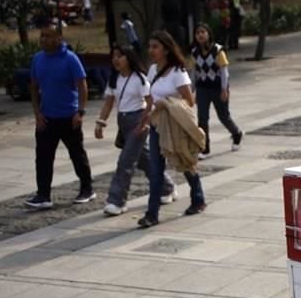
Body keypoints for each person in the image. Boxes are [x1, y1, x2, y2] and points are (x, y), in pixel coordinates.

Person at [93, 45, 176, 216]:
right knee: (144, 160)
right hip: (123, 122)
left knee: (125, 162)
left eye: (120, 56)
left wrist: (144, 122)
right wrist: (101, 122)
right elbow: (108, 102)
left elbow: (150, 101)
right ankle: (167, 187)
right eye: (114, 56)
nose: (116, 59)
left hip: (138, 120)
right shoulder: (114, 79)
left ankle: (116, 201)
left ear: (129, 58)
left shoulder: (139, 78)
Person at [138, 31, 205, 228]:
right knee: (156, 169)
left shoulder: (178, 72)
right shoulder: (152, 70)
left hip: (175, 125)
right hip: (157, 125)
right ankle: (152, 213)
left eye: (155, 47)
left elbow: (189, 101)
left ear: (166, 49)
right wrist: (146, 117)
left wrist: (166, 103)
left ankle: (198, 198)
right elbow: (150, 98)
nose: (151, 51)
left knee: (183, 161)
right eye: (150, 47)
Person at [26, 21, 94, 209]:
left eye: (48, 36)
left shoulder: (70, 59)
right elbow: (33, 86)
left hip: (68, 116)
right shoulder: (38, 59)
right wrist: (37, 113)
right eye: (42, 35)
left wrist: (80, 111)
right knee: (43, 157)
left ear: (59, 38)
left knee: (77, 154)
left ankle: (87, 188)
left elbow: (82, 85)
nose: (44, 39)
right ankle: (43, 194)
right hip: (47, 118)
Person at [191, 23, 243, 158]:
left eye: (203, 32)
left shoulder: (217, 50)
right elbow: (194, 72)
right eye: (198, 33)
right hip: (202, 88)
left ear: (208, 34)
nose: (200, 35)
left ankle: (236, 133)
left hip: (218, 88)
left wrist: (224, 89)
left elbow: (224, 72)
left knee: (223, 116)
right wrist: (193, 89)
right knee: (202, 118)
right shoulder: (194, 52)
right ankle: (204, 148)